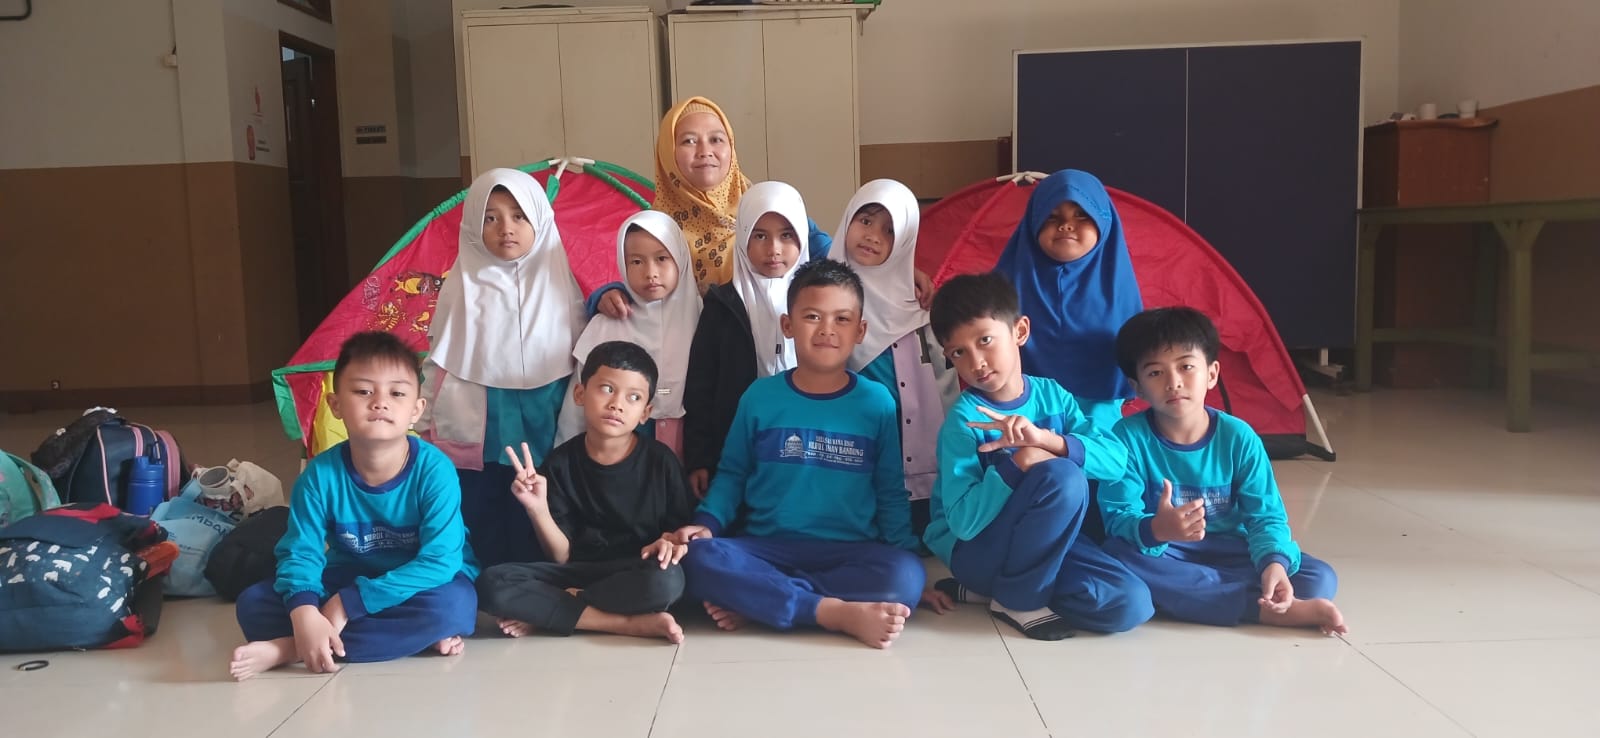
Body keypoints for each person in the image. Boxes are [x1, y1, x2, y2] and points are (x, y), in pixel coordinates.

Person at [674, 260, 927, 649]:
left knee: (906, 578)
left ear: (860, 330)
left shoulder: (876, 402)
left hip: (849, 551)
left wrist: (909, 559)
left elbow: (890, 490)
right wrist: (706, 524)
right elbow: (733, 476)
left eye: (842, 319)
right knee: (695, 557)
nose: (827, 329)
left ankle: (763, 600)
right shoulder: (760, 397)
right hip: (766, 549)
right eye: (812, 316)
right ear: (787, 324)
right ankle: (830, 611)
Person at [229, 332, 478, 680]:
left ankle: (289, 649)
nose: (380, 403)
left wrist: (347, 603)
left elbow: (440, 560)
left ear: (417, 410)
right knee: (253, 605)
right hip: (350, 572)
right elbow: (300, 552)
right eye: (363, 391)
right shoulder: (319, 475)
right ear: (335, 405)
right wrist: (304, 611)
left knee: (454, 607)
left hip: (420, 580)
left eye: (397, 393)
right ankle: (400, 638)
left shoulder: (435, 470)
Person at [924, 273, 1153, 640]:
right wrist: (1019, 463)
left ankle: (997, 591)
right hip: (976, 551)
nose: (976, 362)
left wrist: (1048, 442)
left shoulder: (1053, 396)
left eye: (985, 340)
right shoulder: (964, 422)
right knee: (1064, 477)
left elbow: (1116, 463)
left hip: (1045, 545)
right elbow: (964, 524)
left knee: (1129, 603)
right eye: (959, 352)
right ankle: (1018, 600)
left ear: (1019, 331)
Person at [1100, 307, 1346, 634]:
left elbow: (1266, 517)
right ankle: (1256, 607)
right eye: (1156, 372)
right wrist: (1158, 529)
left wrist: (1273, 564)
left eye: (1186, 366)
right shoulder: (1126, 438)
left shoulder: (1239, 437)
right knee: (1118, 555)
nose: (1174, 383)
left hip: (1233, 549)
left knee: (1318, 578)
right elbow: (1118, 517)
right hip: (1167, 551)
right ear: (1138, 387)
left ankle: (1204, 596)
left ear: (1212, 373)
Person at [589, 97, 932, 318]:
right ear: (667, 152)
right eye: (688, 141)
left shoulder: (765, 208)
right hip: (697, 361)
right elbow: (635, 278)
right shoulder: (655, 227)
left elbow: (835, 258)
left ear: (731, 147)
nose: (705, 151)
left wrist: (896, 273)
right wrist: (607, 295)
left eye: (716, 139)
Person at [414, 167, 585, 567]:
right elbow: (440, 361)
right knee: (480, 517)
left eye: (519, 216)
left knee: (540, 514)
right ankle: (482, 581)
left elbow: (582, 365)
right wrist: (421, 425)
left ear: (539, 220)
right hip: (481, 428)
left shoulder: (563, 291)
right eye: (490, 217)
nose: (505, 228)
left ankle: (534, 582)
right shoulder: (460, 290)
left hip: (545, 422)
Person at [477, 342, 697, 643]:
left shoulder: (661, 462)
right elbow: (560, 556)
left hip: (634, 572)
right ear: (580, 394)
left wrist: (669, 542)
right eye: (606, 389)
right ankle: (626, 624)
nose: (617, 404)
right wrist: (537, 509)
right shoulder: (560, 463)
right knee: (493, 582)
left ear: (646, 412)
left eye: (633, 397)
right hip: (577, 570)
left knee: (667, 581)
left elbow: (676, 539)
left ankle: (558, 609)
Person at [828, 179, 959, 524]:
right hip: (850, 432)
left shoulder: (917, 302)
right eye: (865, 221)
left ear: (904, 242)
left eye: (890, 231)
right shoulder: (821, 291)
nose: (873, 236)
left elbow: (943, 381)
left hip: (910, 436)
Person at [681, 181, 808, 497]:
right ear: (742, 237)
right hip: (736, 443)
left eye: (786, 235)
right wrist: (699, 457)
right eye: (760, 236)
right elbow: (701, 385)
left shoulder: (818, 299)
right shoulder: (722, 304)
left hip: (806, 438)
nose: (774, 249)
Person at [994, 169, 1143, 433]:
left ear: (1103, 221)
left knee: (1097, 456)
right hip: (1024, 408)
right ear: (1033, 223)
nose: (1066, 225)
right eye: (1051, 216)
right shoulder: (1006, 283)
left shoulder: (1117, 286)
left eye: (1082, 215)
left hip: (1099, 409)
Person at [555, 211, 700, 459]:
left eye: (662, 258)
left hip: (689, 440)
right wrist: (567, 460)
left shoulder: (703, 317)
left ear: (680, 258)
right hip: (616, 444)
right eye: (636, 262)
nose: (650, 272)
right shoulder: (607, 323)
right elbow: (576, 405)